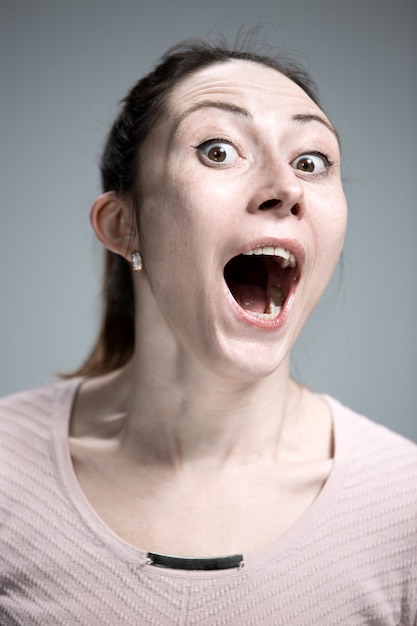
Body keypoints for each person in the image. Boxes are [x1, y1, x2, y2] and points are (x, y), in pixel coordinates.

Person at [1, 38, 416, 626]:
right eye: (218, 150)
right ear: (124, 226)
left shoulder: (405, 510)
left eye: (311, 161)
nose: (285, 187)